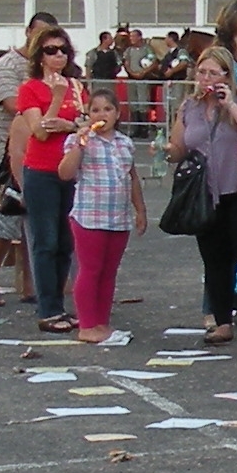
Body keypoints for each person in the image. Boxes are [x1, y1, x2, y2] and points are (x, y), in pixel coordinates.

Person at [174, 49, 237, 339]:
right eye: (202, 72)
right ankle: (222, 321)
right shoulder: (190, 106)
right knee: (214, 259)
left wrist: (229, 106)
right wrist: (167, 149)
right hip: (206, 192)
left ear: (227, 75)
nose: (206, 79)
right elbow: (179, 148)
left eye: (214, 73)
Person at [6, 26, 85, 330]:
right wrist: (57, 100)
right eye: (51, 50)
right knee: (45, 240)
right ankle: (47, 309)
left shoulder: (77, 86)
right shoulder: (30, 89)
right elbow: (39, 130)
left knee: (66, 241)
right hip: (41, 171)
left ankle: (59, 305)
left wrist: (66, 122)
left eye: (63, 50)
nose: (58, 56)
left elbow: (84, 122)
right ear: (39, 56)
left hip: (70, 167)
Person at [0, 12, 59, 309]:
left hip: (45, 149)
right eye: (41, 39)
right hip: (12, 148)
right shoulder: (9, 66)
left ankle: (31, 282)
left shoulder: (48, 70)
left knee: (37, 221)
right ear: (28, 33)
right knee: (9, 216)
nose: (49, 49)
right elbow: (15, 105)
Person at [62, 86, 146, 342]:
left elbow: (131, 178)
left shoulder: (125, 144)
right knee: (90, 269)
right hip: (90, 216)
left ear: (117, 113)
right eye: (95, 110)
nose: (102, 114)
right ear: (87, 114)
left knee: (109, 272)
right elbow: (65, 173)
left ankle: (102, 322)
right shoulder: (80, 141)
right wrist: (80, 143)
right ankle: (87, 325)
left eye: (108, 109)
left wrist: (140, 209)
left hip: (118, 217)